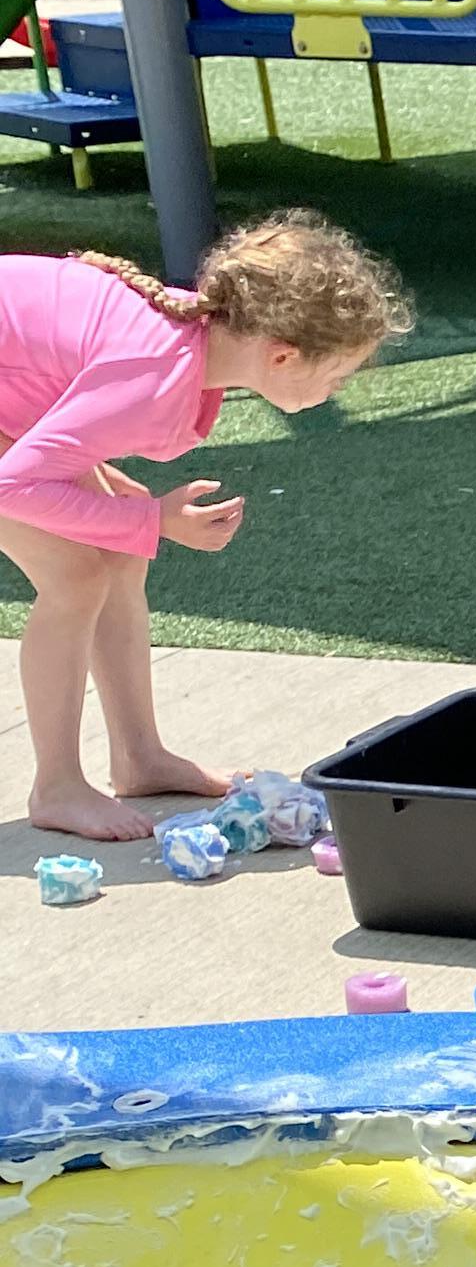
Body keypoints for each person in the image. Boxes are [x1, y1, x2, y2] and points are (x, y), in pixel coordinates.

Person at [0, 222, 411, 843]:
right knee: (76, 575)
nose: (337, 391)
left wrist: (130, 515)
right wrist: (153, 520)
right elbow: (13, 485)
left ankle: (139, 757)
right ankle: (56, 786)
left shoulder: (191, 337)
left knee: (116, 548)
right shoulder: (154, 373)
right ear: (282, 356)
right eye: (337, 377)